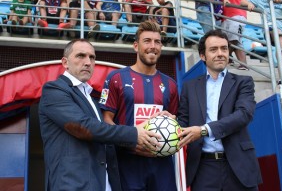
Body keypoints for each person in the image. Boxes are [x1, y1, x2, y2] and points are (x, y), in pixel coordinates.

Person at [39, 39, 161, 191]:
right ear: (65, 62)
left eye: (92, 57)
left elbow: (104, 137)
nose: (88, 62)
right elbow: (82, 127)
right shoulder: (54, 90)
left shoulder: (91, 98)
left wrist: (148, 132)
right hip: (72, 185)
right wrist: (134, 133)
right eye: (81, 56)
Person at [176, 30, 262, 190]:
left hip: (239, 166)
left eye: (224, 48)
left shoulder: (243, 82)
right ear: (203, 56)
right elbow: (183, 121)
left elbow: (244, 114)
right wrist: (169, 121)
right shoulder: (190, 87)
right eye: (213, 49)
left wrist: (204, 130)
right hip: (203, 168)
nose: (220, 53)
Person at [99, 21, 179, 191]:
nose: (153, 46)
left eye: (157, 42)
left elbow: (176, 121)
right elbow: (106, 120)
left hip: (161, 164)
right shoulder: (116, 78)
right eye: (147, 41)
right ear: (136, 46)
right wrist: (130, 141)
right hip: (127, 162)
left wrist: (173, 122)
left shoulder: (170, 84)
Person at [240, 0, 282, 70]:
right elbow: (242, 1)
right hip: (269, 30)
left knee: (278, 53)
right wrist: (248, 4)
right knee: (276, 32)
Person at [220, 0, 249, 70]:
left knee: (234, 39)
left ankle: (223, 58)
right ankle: (243, 64)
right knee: (232, 40)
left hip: (237, 15)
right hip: (225, 17)